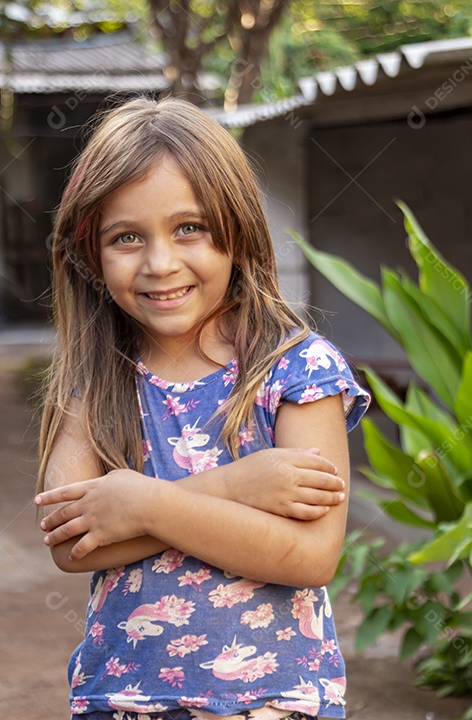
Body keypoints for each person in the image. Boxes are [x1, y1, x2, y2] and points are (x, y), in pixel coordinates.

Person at [34, 96, 370, 720]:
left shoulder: (297, 370)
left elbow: (309, 556)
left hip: (271, 703)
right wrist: (236, 485)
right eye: (127, 237)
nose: (161, 264)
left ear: (237, 231)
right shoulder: (97, 378)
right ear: (90, 253)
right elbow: (72, 542)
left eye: (189, 228)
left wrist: (140, 504)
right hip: (122, 701)